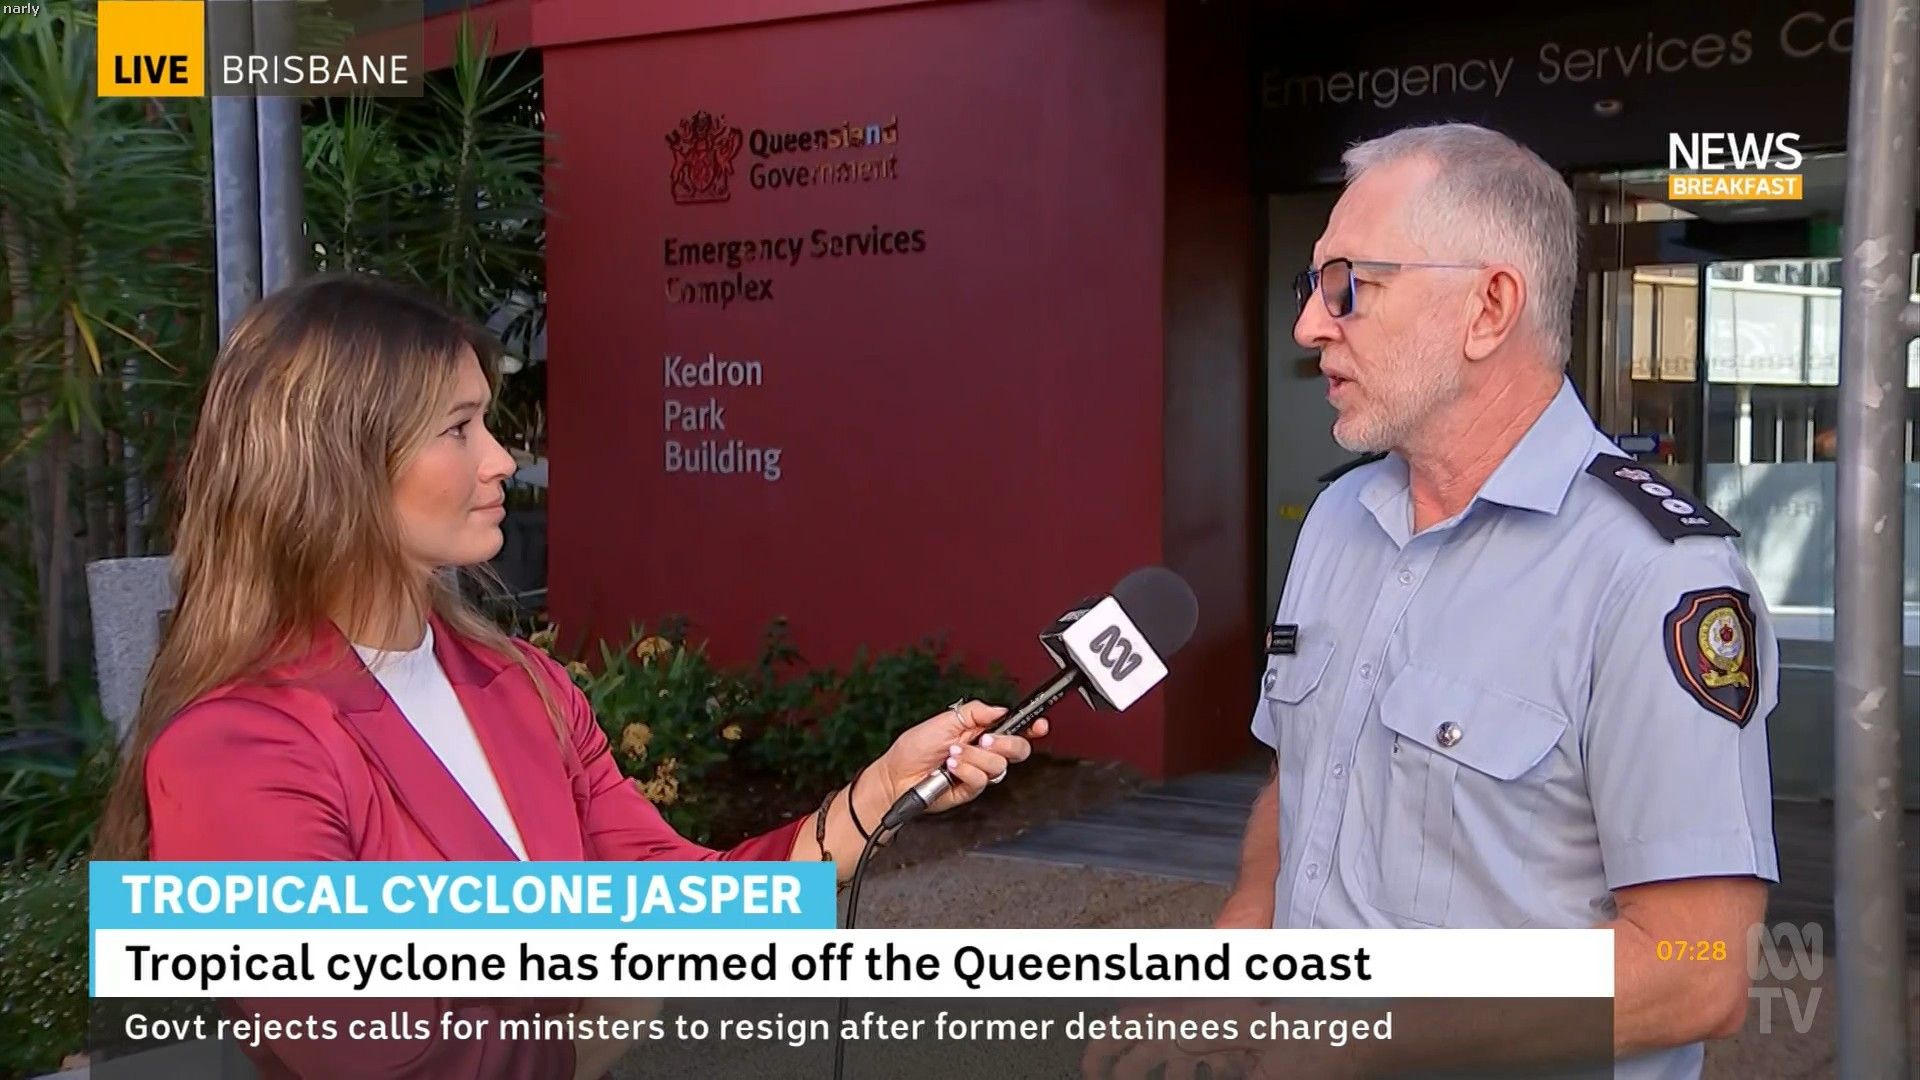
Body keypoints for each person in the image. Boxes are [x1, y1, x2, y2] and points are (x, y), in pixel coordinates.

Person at [92, 272, 1044, 1080]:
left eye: (488, 422)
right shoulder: (239, 746)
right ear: (337, 461)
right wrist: (602, 1007)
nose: (501, 460)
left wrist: (878, 795)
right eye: (458, 428)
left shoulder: (523, 687)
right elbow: (361, 1040)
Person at [1092, 124, 1779, 1080]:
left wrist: (1357, 1042)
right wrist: (1235, 971)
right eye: (1311, 286)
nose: (1309, 326)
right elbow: (1302, 784)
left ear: (1489, 308)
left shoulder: (1655, 574)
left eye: (1348, 286)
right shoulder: (1340, 519)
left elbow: (1697, 969)